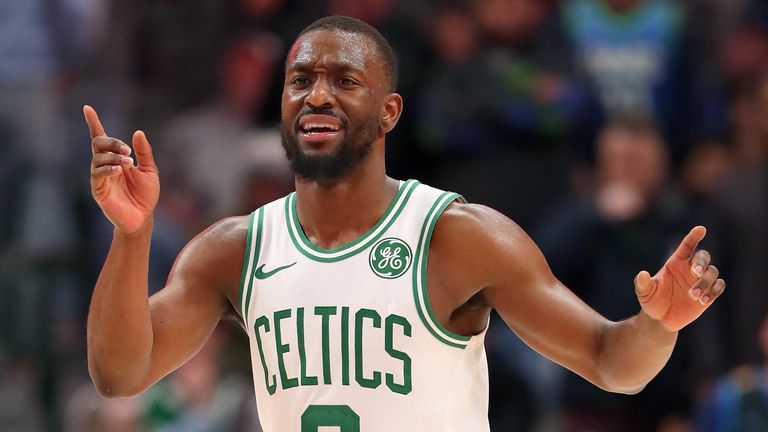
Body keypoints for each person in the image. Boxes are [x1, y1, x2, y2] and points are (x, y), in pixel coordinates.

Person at [84, 16, 725, 431]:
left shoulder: (457, 236)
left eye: (344, 80)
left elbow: (613, 362)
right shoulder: (234, 249)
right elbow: (120, 374)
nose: (317, 94)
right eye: (299, 79)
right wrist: (132, 233)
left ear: (389, 111)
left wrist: (656, 326)